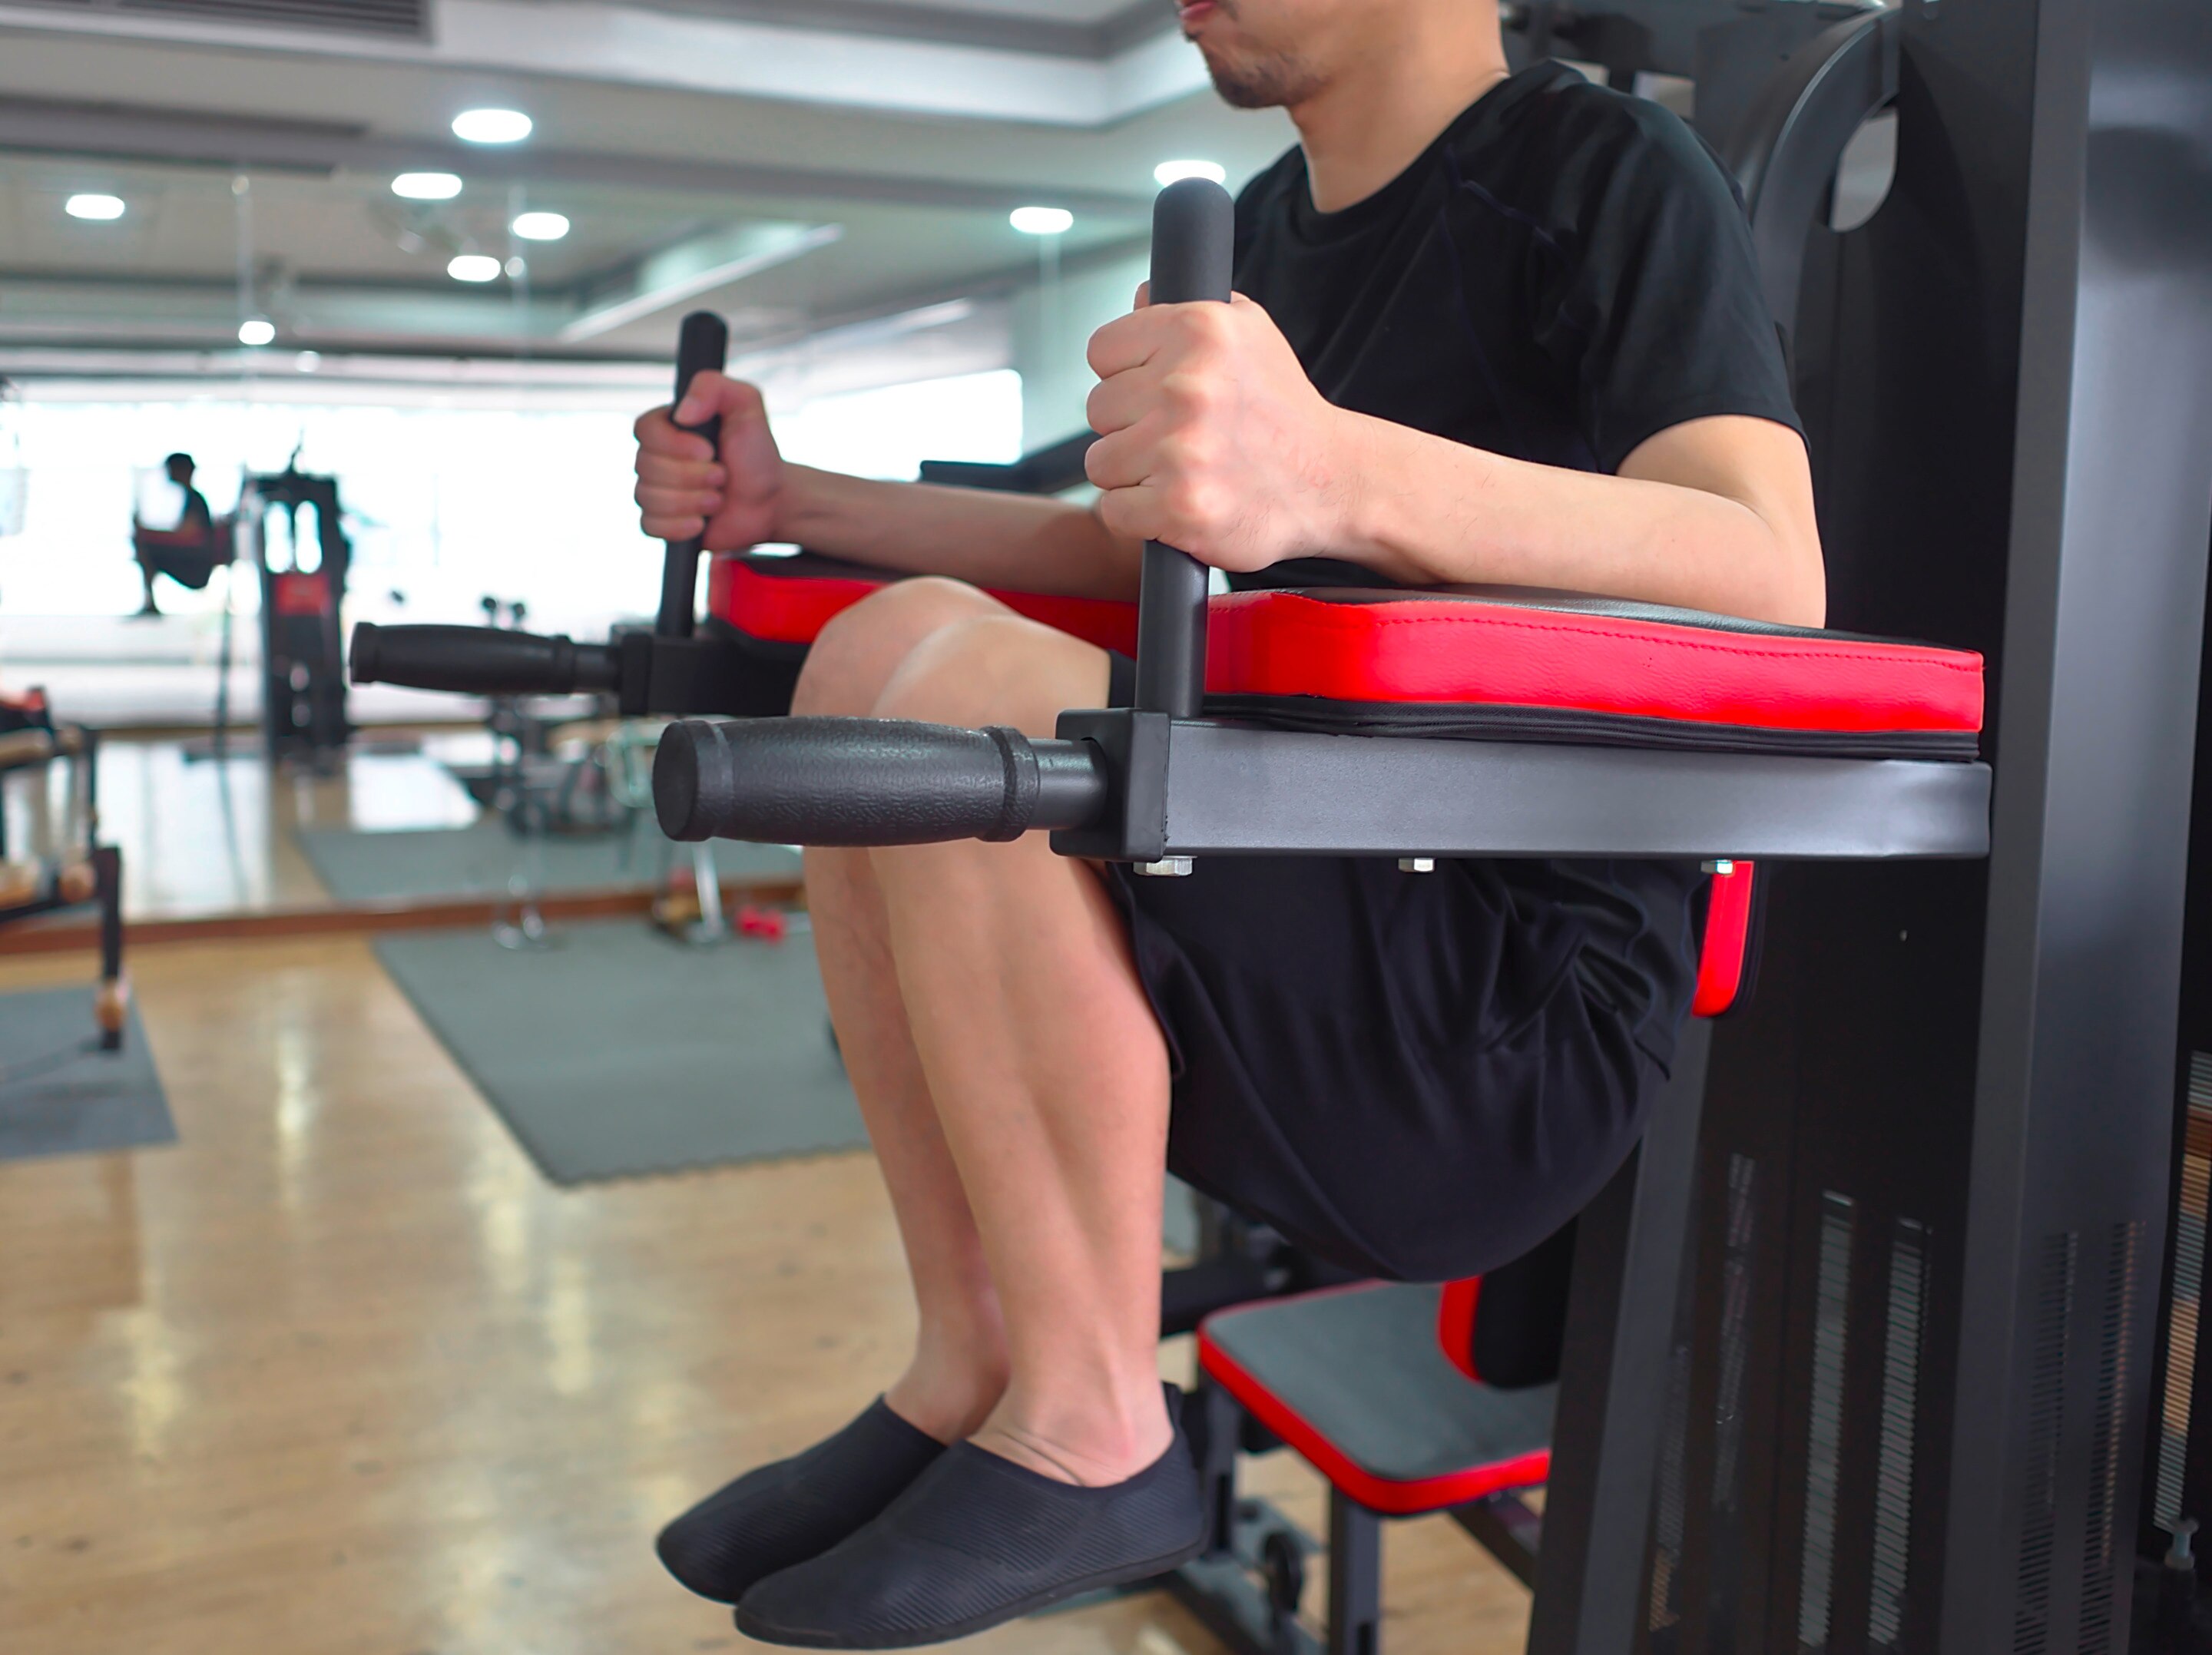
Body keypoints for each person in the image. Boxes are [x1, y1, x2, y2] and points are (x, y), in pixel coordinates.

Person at [632, 0, 1822, 1644]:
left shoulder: (1603, 163)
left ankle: (1098, 1424)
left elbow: (1770, 567)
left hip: (1498, 1014)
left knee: (975, 680)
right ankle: (972, 1354)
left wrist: (1330, 470)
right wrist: (800, 506)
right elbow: (1141, 558)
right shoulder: (1258, 237)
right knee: (874, 644)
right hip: (1295, 900)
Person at [131, 452, 223, 617]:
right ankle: (150, 602)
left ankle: (150, 603)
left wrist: (146, 533)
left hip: (196, 567)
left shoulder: (195, 500)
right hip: (194, 562)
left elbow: (186, 536)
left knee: (145, 548)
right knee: (144, 544)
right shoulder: (192, 498)